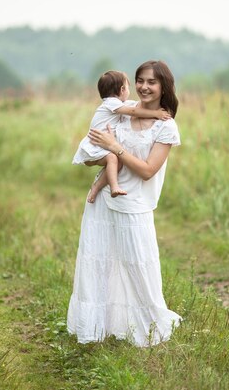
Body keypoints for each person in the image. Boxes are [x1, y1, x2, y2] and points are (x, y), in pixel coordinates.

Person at [67, 60, 182, 347]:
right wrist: (102, 151)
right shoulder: (122, 110)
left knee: (138, 266)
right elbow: (93, 155)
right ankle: (101, 328)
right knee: (101, 264)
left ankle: (148, 326)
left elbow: (146, 170)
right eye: (139, 80)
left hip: (135, 205)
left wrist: (114, 147)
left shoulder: (165, 126)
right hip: (103, 203)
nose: (143, 86)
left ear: (163, 87)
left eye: (151, 82)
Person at [72, 70, 171, 202]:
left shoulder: (113, 104)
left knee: (115, 161)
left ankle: (97, 187)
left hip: (99, 145)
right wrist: (156, 114)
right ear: (122, 89)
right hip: (96, 145)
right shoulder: (113, 103)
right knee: (113, 158)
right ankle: (113, 187)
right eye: (130, 86)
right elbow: (133, 111)